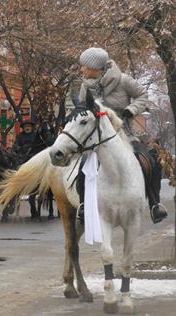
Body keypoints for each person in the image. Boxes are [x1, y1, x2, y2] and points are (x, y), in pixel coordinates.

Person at [77, 47, 167, 224]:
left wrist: (131, 110)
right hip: (97, 136)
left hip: (124, 133)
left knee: (149, 161)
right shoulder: (85, 86)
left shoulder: (123, 80)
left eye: (84, 66)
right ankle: (83, 204)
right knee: (83, 165)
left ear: (95, 67)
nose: (81, 69)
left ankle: (155, 204)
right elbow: (83, 109)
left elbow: (143, 95)